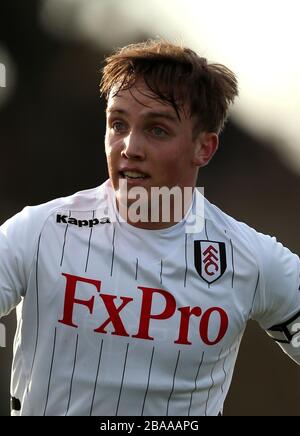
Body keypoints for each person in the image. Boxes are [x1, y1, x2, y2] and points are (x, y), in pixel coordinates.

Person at [0, 40, 300, 417]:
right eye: (118, 124)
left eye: (156, 130)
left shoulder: (250, 259)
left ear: (204, 148)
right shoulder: (39, 232)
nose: (129, 147)